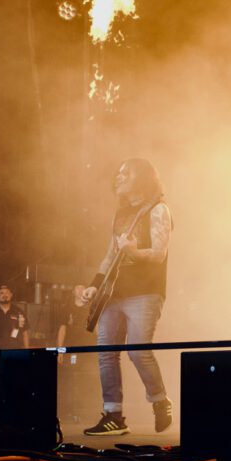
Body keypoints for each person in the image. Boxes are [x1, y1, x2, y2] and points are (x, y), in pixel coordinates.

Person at [78, 158, 173, 436]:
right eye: (118, 173)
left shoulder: (158, 209)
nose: (118, 177)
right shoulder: (120, 213)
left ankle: (159, 400)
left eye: (125, 173)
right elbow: (110, 254)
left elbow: (159, 254)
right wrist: (95, 285)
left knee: (137, 350)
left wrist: (133, 251)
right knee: (105, 352)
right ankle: (113, 415)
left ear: (141, 177)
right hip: (113, 293)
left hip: (145, 291)